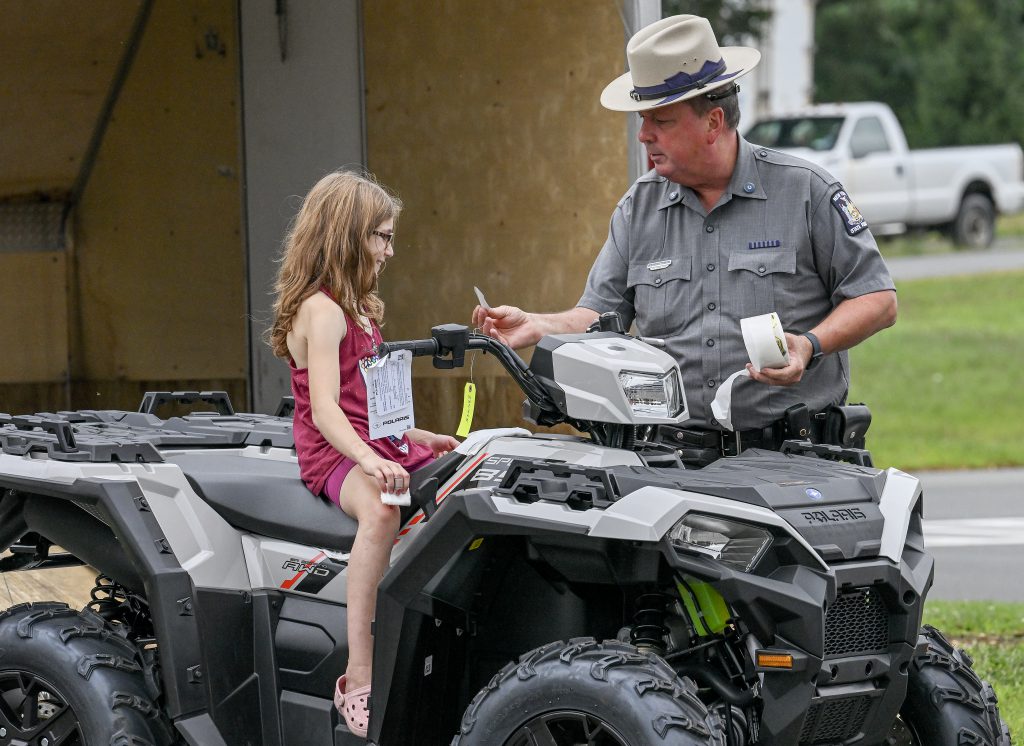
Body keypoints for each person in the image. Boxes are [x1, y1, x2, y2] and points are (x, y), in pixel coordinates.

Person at [473, 14, 896, 456]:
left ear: (713, 122)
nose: (643, 135)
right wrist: (537, 325)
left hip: (794, 460)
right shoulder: (640, 208)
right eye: (643, 119)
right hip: (672, 462)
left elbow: (878, 300)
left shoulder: (806, 191)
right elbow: (598, 315)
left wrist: (810, 346)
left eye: (660, 120)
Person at [268, 170, 458, 738]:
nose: (389, 250)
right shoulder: (321, 311)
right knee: (381, 508)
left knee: (467, 476)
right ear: (347, 235)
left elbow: (372, 398)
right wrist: (372, 462)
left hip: (375, 440)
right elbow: (327, 410)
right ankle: (357, 676)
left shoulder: (361, 308)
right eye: (380, 236)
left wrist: (418, 436)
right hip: (333, 452)